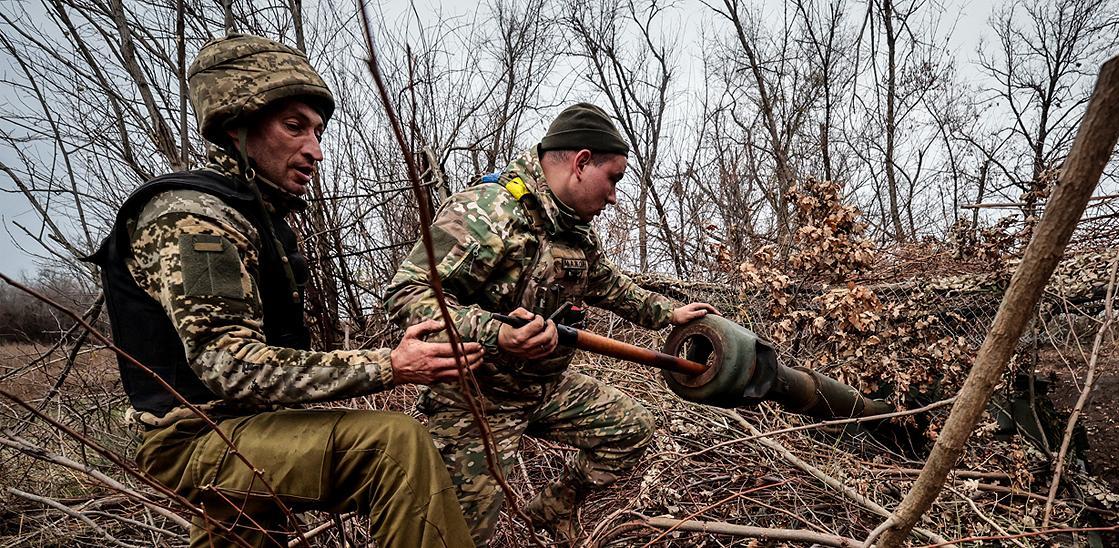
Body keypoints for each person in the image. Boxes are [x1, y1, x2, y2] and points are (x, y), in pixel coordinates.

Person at [86, 33, 478, 548]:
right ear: (236, 126)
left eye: (317, 131)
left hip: (242, 428)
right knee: (395, 445)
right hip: (197, 437)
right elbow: (228, 365)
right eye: (295, 127)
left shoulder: (253, 214)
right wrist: (390, 365)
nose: (315, 150)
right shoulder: (196, 219)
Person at [383, 102, 718, 544]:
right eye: (613, 179)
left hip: (543, 389)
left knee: (632, 427)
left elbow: (606, 283)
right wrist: (497, 332)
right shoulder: (488, 212)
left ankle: (554, 506)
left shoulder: (573, 228)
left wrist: (666, 312)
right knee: (457, 537)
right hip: (477, 402)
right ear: (581, 163)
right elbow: (408, 295)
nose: (615, 196)